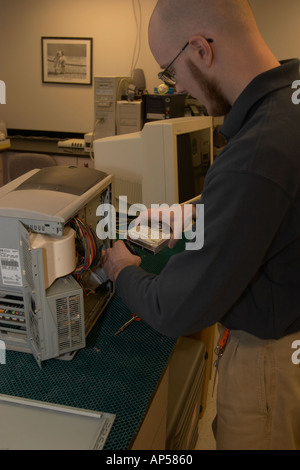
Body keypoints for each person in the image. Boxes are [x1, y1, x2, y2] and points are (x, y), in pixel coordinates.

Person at [102, 0, 300, 450]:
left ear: (200, 50)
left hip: (271, 361)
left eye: (171, 73)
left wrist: (121, 268)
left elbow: (176, 309)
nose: (180, 88)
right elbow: (282, 211)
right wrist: (203, 215)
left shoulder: (257, 148)